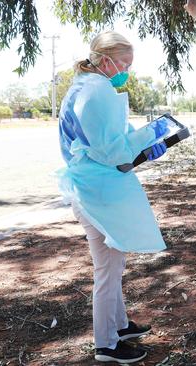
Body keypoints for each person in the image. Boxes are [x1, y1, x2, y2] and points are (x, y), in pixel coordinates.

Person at [58, 31, 169, 363]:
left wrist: (144, 143)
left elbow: (104, 144)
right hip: (97, 193)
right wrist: (151, 136)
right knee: (107, 270)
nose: (126, 71)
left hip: (90, 187)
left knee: (113, 265)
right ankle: (106, 345)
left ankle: (119, 326)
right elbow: (111, 151)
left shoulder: (85, 85)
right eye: (124, 64)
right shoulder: (97, 91)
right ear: (106, 60)